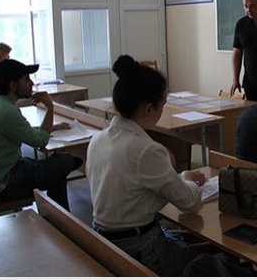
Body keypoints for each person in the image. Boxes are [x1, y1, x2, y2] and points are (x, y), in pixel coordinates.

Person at [86, 55, 207, 276]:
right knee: (209, 258)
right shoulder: (146, 150)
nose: (163, 110)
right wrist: (188, 179)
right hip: (139, 248)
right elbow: (189, 202)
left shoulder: (98, 139)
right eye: (163, 104)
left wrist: (177, 178)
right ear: (149, 109)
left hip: (104, 242)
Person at [0, 59, 80, 210]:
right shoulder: (7, 111)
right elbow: (41, 142)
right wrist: (50, 107)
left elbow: (20, 131)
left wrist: (52, 128)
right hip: (4, 185)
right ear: (13, 85)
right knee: (64, 161)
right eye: (26, 80)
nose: (32, 83)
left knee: (58, 170)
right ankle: (60, 218)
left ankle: (59, 218)